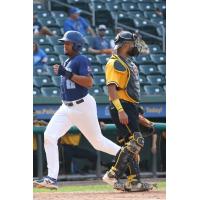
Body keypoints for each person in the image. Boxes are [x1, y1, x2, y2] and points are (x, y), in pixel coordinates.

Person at [33, 30, 121, 189]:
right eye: (64, 43)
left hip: (82, 105)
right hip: (65, 107)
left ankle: (125, 154)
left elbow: (89, 82)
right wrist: (66, 72)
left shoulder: (81, 59)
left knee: (97, 142)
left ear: (77, 45)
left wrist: (66, 73)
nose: (65, 45)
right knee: (49, 136)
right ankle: (51, 178)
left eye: (68, 43)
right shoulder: (67, 61)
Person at [102, 31, 153, 192]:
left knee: (129, 145)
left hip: (130, 106)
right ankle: (112, 174)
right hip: (121, 106)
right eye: (132, 43)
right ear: (125, 45)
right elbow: (111, 89)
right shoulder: (114, 62)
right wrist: (120, 110)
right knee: (137, 141)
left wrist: (136, 113)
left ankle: (134, 181)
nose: (134, 46)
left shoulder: (127, 61)